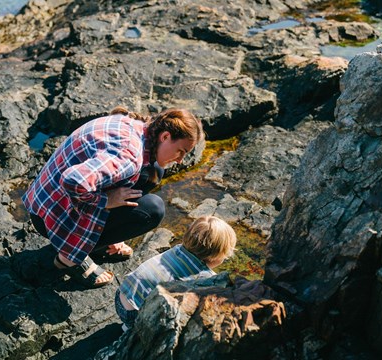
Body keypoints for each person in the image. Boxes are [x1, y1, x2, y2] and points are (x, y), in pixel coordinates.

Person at [23, 106, 203, 288]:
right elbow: (73, 181)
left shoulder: (136, 126)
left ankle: (100, 238)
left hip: (44, 199)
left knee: (154, 171)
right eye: (181, 151)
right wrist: (107, 200)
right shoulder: (130, 157)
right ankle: (68, 258)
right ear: (165, 136)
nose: (180, 160)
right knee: (153, 210)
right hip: (50, 216)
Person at [115, 215, 237, 330]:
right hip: (136, 315)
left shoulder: (178, 249)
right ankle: (133, 331)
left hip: (121, 296)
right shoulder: (206, 277)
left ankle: (128, 327)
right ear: (215, 256)